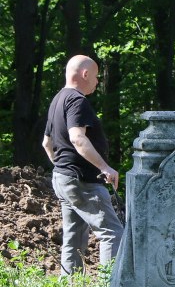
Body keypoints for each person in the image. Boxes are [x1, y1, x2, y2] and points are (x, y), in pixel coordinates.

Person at [42, 55, 123, 275]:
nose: (97, 82)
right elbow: (78, 138)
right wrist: (104, 167)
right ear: (85, 74)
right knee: (112, 232)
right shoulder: (77, 101)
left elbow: (47, 143)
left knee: (74, 236)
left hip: (64, 179)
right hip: (82, 180)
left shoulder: (58, 99)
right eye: (96, 76)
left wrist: (63, 168)